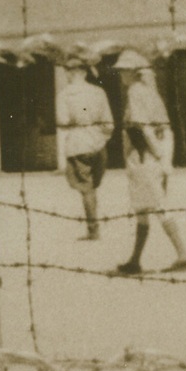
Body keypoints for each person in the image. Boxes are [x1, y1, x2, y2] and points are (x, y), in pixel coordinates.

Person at [112, 49, 186, 275]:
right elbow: (165, 128)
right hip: (152, 155)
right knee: (145, 209)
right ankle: (135, 260)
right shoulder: (151, 93)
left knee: (157, 207)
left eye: (123, 71)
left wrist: (156, 155)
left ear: (132, 72)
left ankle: (183, 254)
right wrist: (165, 157)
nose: (121, 75)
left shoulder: (135, 91)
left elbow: (144, 127)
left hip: (144, 155)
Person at [56, 55, 114, 240]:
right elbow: (109, 123)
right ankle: (94, 224)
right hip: (97, 143)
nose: (65, 74)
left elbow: (62, 120)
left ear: (74, 72)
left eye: (67, 71)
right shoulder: (98, 92)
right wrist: (99, 138)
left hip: (78, 143)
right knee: (93, 186)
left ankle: (93, 228)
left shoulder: (65, 94)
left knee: (86, 188)